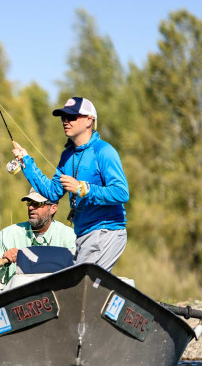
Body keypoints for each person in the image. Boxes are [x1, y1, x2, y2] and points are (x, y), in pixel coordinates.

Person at [11, 96, 129, 271]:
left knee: (84, 288)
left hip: (105, 231)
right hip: (83, 234)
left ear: (89, 121)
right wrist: (26, 162)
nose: (65, 121)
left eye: (72, 117)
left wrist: (83, 188)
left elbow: (121, 193)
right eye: (63, 117)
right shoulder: (67, 156)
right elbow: (51, 193)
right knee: (82, 289)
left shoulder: (104, 151)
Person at [0, 188, 76, 287]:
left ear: (53, 208)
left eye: (37, 203)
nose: (31, 207)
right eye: (29, 203)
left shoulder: (71, 237)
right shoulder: (8, 234)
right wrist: (4, 262)